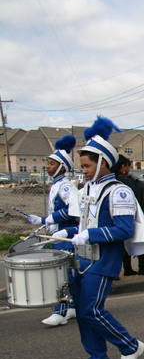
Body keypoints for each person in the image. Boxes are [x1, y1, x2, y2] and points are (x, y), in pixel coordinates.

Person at [52, 117, 144, 359]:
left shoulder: (119, 192)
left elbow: (124, 229)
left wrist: (90, 235)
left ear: (103, 163)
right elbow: (84, 224)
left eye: (87, 165)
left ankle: (130, 346)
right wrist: (69, 232)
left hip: (103, 261)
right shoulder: (87, 190)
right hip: (82, 260)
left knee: (91, 310)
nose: (82, 170)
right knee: (82, 314)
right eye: (82, 166)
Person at [26, 135, 79, 326]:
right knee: (66, 275)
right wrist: (42, 220)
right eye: (47, 163)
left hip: (66, 236)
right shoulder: (57, 185)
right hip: (58, 237)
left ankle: (59, 313)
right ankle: (72, 307)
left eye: (51, 163)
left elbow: (73, 210)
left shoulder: (65, 186)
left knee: (60, 276)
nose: (47, 166)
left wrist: (52, 219)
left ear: (62, 167)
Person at [115, 155, 144, 276]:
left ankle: (127, 268)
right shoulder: (127, 182)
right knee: (140, 238)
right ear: (123, 167)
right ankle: (142, 267)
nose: (129, 169)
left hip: (122, 216)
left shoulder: (114, 181)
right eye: (128, 166)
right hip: (136, 215)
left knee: (124, 242)